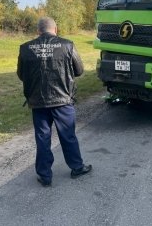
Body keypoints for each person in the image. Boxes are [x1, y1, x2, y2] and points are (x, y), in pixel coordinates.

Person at [17, 17, 92, 187]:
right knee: (68, 135)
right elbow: (79, 70)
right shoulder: (67, 45)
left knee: (42, 138)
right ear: (55, 29)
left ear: (38, 31)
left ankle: (45, 176)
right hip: (63, 100)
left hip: (38, 101)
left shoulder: (25, 48)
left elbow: (22, 75)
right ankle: (77, 167)